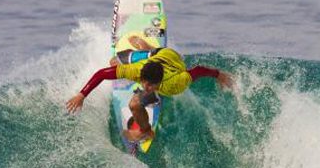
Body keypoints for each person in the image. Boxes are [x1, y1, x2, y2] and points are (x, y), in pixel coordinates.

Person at [66, 37, 233, 142]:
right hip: (154, 57)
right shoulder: (137, 71)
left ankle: (146, 131)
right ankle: (146, 48)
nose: (145, 87)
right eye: (144, 83)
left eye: (150, 86)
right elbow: (102, 74)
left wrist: (219, 75)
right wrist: (82, 95)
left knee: (134, 104)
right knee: (113, 62)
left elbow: (198, 70)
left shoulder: (176, 82)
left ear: (158, 83)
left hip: (172, 58)